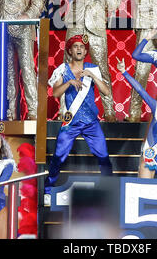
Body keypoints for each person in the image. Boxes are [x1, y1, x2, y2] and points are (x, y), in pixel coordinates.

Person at [52, 0, 126, 122]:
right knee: (66, 68)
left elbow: (112, 4)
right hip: (76, 24)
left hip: (96, 29)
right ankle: (63, 109)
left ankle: (109, 111)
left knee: (101, 69)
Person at [44, 35, 113, 197]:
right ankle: (47, 191)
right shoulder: (62, 69)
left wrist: (93, 76)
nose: (79, 49)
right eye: (75, 46)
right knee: (59, 157)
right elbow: (55, 93)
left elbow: (107, 92)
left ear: (86, 50)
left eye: (82, 47)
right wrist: (68, 83)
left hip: (90, 121)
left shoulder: (93, 68)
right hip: (70, 121)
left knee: (103, 156)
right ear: (70, 50)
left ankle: (111, 189)